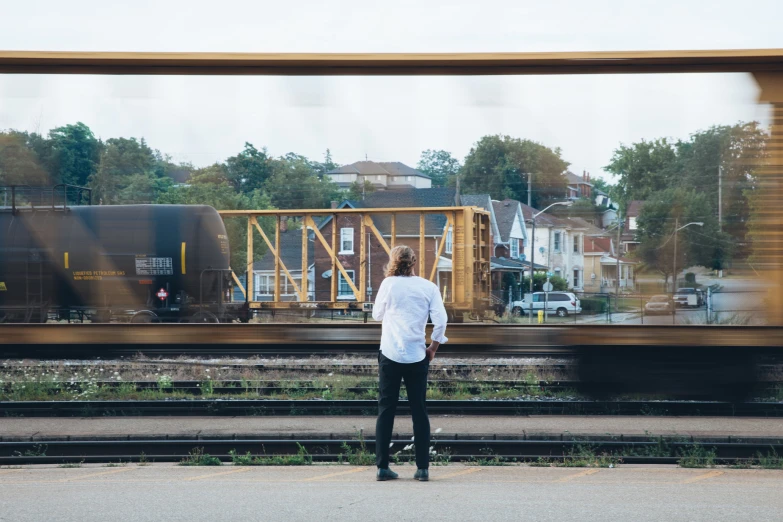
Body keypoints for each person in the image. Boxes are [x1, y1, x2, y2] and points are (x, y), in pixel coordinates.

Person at [372, 245, 449, 482]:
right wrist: (433, 348)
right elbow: (441, 321)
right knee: (419, 411)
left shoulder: (388, 284)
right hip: (418, 356)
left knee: (386, 410)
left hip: (391, 353)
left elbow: (376, 315)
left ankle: (383, 468)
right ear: (414, 262)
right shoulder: (428, 287)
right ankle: (423, 469)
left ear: (394, 261)